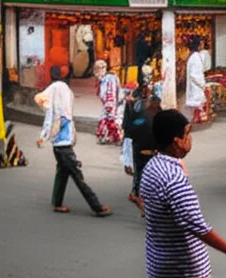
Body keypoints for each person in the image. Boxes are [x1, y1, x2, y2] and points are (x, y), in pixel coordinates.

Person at [141, 110, 226, 278]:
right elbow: (198, 227)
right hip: (185, 268)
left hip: (162, 262)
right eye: (187, 133)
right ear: (177, 141)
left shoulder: (152, 167)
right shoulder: (174, 179)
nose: (190, 138)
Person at [36, 67, 112, 217]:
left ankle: (57, 203)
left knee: (63, 172)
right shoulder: (62, 91)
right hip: (63, 144)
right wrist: (44, 135)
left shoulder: (52, 92)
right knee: (77, 176)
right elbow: (53, 115)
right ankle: (96, 206)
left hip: (59, 143)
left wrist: (44, 136)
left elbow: (46, 112)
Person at [124, 81, 162, 213]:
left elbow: (131, 128)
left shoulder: (143, 115)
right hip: (153, 150)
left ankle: (137, 194)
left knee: (139, 173)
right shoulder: (160, 117)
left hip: (141, 148)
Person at [94, 60, 123, 145]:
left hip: (111, 103)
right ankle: (109, 137)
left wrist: (109, 105)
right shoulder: (105, 79)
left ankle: (116, 137)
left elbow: (110, 93)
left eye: (98, 69)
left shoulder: (109, 79)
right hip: (108, 103)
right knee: (107, 119)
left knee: (110, 120)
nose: (96, 72)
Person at [184, 38, 207, 124]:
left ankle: (195, 118)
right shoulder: (196, 58)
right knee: (197, 103)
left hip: (195, 86)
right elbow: (194, 75)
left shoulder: (194, 57)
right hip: (196, 86)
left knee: (197, 104)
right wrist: (202, 84)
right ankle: (196, 119)